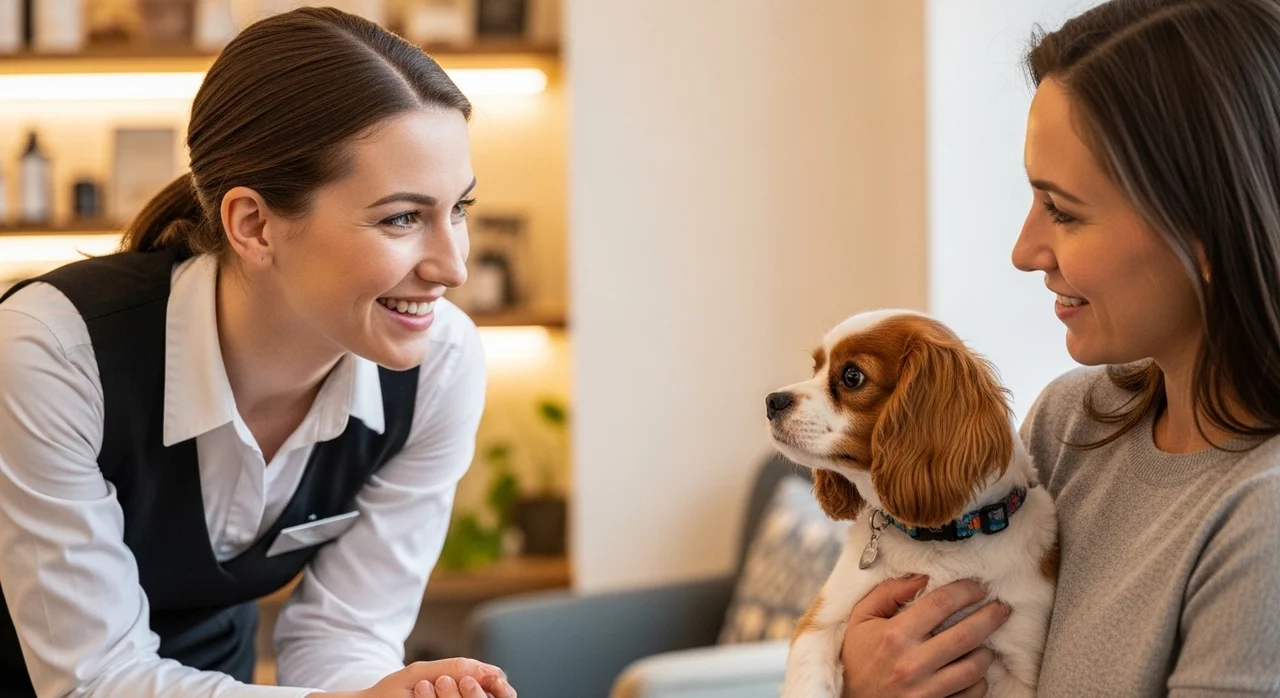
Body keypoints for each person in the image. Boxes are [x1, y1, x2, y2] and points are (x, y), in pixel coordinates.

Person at [0, 7, 515, 698]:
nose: (453, 267)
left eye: (459, 209)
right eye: (402, 218)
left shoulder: (441, 367)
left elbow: (345, 634)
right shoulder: (53, 352)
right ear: (254, 225)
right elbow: (96, 679)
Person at [838, 0, 1280, 695]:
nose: (1024, 251)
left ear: (1205, 234)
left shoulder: (1261, 520)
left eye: (1063, 211)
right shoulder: (1068, 427)